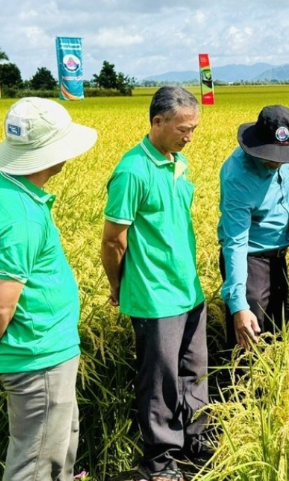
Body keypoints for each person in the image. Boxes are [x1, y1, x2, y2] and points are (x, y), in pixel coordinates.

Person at [0, 98, 97, 481]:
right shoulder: (21, 215)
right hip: (37, 356)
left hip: (43, 352)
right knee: (37, 465)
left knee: (55, 453)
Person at [100, 86, 207, 481]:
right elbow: (113, 239)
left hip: (188, 289)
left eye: (193, 128)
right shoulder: (132, 171)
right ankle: (160, 463)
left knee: (194, 375)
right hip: (154, 295)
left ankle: (196, 446)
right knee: (159, 382)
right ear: (157, 122)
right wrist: (118, 285)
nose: (189, 136)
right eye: (182, 128)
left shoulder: (178, 161)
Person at [219, 105, 289, 349]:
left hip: (278, 257)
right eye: (270, 156)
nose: (277, 162)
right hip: (250, 262)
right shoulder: (238, 177)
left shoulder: (285, 160)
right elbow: (236, 243)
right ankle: (242, 387)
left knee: (278, 335)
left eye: (282, 157)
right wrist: (239, 304)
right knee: (249, 339)